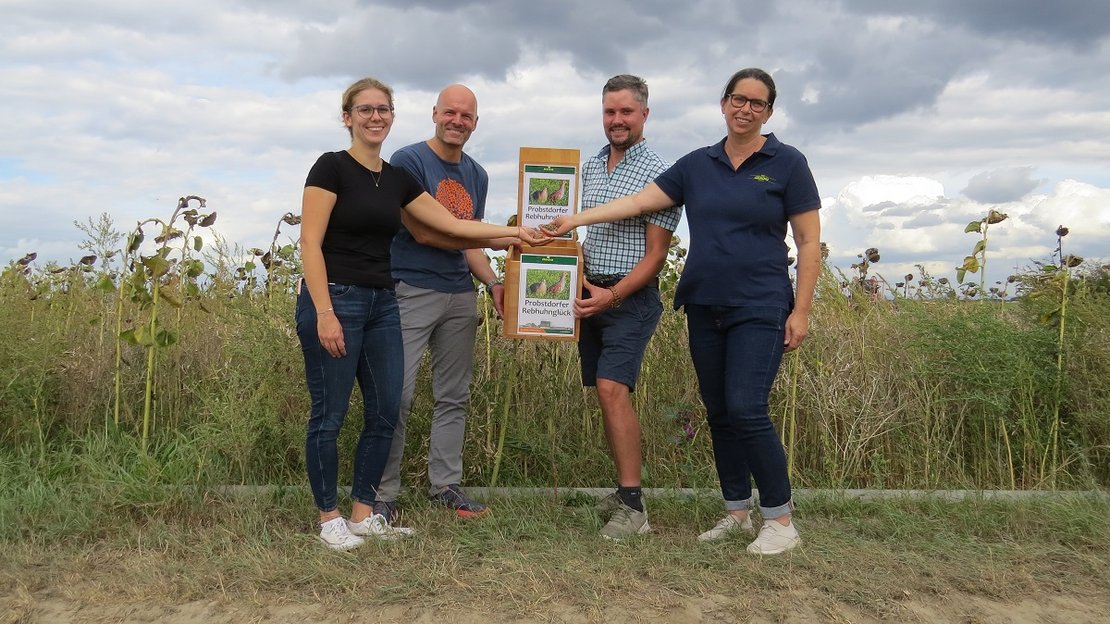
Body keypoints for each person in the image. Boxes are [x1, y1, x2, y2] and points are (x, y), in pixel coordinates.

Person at [547, 68, 821, 555]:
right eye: (738, 99)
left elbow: (808, 242)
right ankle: (737, 511)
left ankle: (780, 520)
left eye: (757, 104)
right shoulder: (698, 164)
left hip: (760, 304)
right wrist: (575, 218)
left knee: (747, 408)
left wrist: (800, 311)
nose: (745, 109)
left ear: (769, 112)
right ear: (723, 104)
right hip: (703, 304)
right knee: (718, 413)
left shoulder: (788, 164)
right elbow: (637, 201)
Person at [298, 77, 549, 551]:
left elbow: (457, 227)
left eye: (383, 109)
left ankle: (367, 512)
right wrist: (323, 310)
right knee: (338, 412)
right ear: (347, 116)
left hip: (388, 300)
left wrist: (515, 243)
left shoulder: (400, 178)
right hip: (353, 296)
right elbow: (312, 241)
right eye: (365, 109)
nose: (376, 117)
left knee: (393, 406)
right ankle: (335, 514)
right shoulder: (335, 167)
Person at [376, 84, 505, 520]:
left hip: (459, 294)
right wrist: (509, 235)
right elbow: (425, 232)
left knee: (454, 396)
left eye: (466, 116)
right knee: (398, 393)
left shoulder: (478, 175)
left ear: (475, 123)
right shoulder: (409, 161)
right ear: (434, 113)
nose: (457, 121)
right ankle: (382, 493)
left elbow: (467, 242)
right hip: (411, 289)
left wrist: (493, 283)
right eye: (450, 112)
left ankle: (445, 486)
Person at [575, 75, 682, 540]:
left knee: (611, 388)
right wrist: (577, 278)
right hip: (590, 294)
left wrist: (612, 296)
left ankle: (635, 507)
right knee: (603, 392)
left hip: (628, 299)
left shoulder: (661, 171)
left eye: (626, 112)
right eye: (609, 112)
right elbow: (585, 235)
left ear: (644, 114)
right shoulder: (592, 166)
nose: (616, 121)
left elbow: (656, 255)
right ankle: (623, 491)